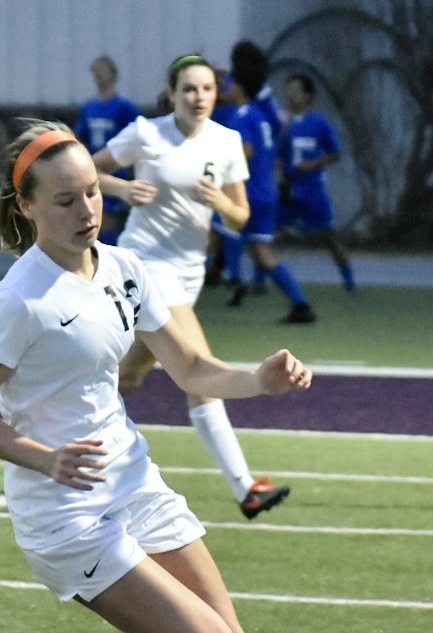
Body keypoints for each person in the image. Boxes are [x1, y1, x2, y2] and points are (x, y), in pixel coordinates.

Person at [0, 120, 329, 633]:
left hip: (134, 483)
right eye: (64, 200)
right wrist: (41, 455)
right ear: (26, 207)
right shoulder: (18, 298)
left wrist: (260, 379)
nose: (86, 209)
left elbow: (191, 369)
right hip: (67, 513)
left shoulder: (125, 268)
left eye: (92, 192)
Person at [91, 55, 292, 520]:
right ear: (172, 94)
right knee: (199, 367)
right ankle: (246, 488)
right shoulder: (146, 133)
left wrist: (222, 201)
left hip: (189, 271)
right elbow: (86, 171)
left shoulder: (227, 141)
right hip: (145, 266)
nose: (199, 97)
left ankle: (58, 439)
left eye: (206, 89)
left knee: (128, 376)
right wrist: (121, 191)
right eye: (189, 89)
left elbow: (240, 217)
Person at [217, 56, 316, 322]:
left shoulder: (241, 116)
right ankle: (300, 303)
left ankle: (233, 280)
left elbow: (246, 150)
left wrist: (218, 165)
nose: (225, 85)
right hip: (265, 191)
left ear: (241, 87)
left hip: (247, 193)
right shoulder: (259, 115)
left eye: (230, 81)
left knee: (222, 229)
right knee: (261, 252)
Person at [278, 73, 355, 292]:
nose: (291, 95)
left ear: (308, 96)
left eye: (296, 90)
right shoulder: (284, 124)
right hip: (290, 190)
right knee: (264, 231)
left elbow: (335, 153)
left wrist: (314, 164)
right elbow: (278, 156)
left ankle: (349, 281)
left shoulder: (319, 123)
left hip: (313, 190)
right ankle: (258, 283)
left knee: (329, 237)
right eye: (288, 90)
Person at [73, 56, 141, 245]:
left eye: (101, 72)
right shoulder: (89, 107)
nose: (97, 77)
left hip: (114, 172)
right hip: (92, 169)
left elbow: (136, 139)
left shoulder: (125, 107)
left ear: (113, 74)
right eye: (94, 73)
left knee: (107, 221)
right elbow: (81, 137)